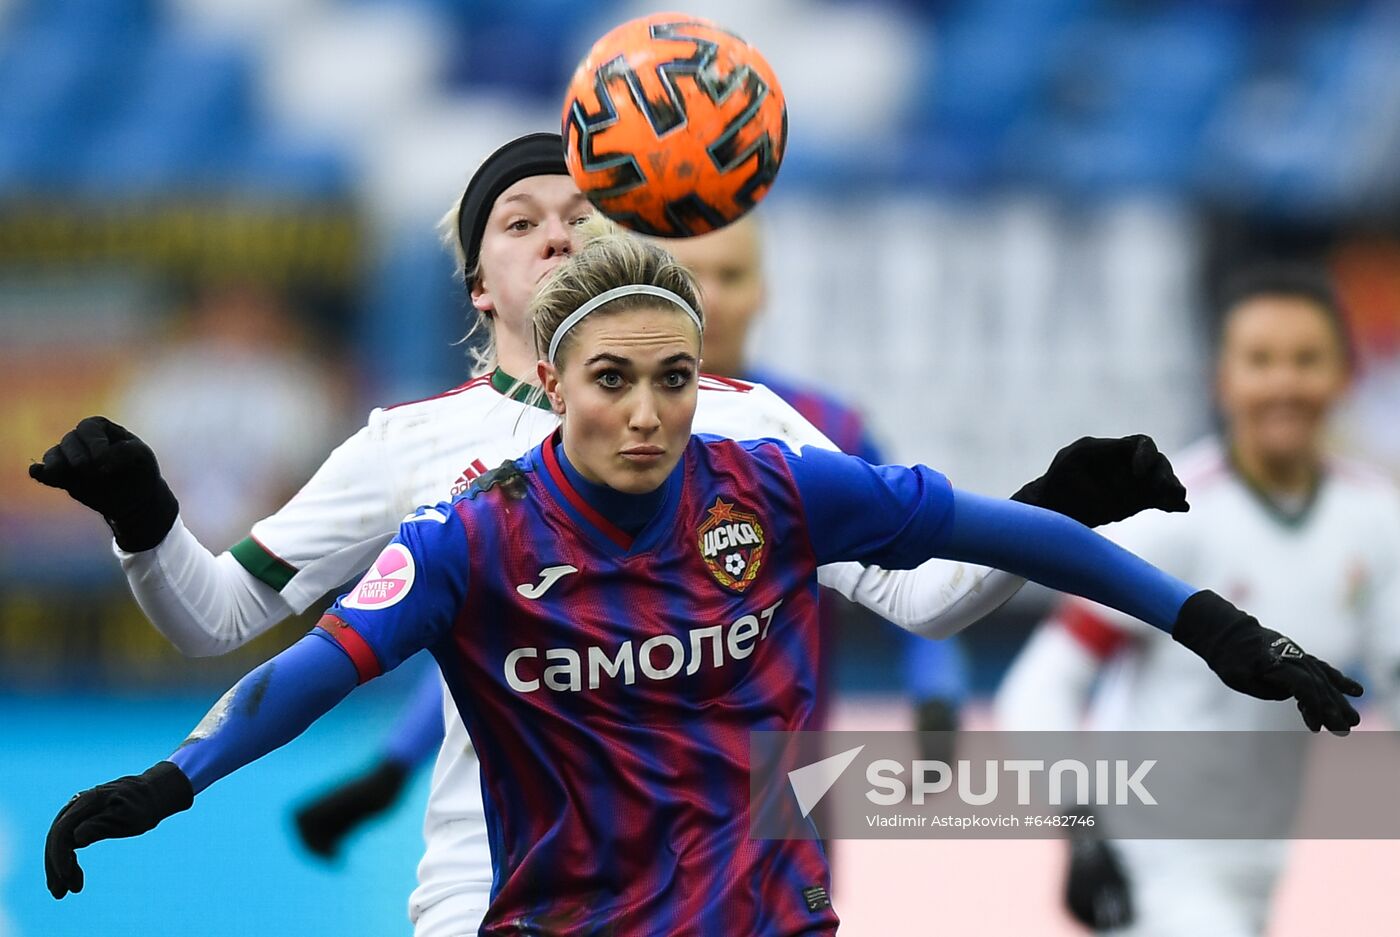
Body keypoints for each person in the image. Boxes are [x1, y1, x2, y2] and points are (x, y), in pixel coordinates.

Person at [44, 227, 1362, 936]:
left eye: (673, 377)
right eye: (612, 380)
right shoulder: (468, 533)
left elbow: (1000, 545)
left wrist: (1218, 628)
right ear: (551, 385)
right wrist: (175, 781)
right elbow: (307, 669)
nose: (646, 410)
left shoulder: (775, 483)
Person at [289, 212, 971, 859]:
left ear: (763, 291)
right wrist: (392, 768)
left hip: (777, 784)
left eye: (731, 275)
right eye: (690, 271)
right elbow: (494, 627)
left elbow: (906, 570)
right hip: (616, 799)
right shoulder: (581, 448)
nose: (709, 295)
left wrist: (937, 692)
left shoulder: (820, 428)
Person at [995, 266, 1400, 936]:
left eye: (1306, 359)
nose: (1284, 383)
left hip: (1262, 864)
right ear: (1222, 377)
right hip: (1154, 868)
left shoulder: (1376, 517)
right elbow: (1039, 685)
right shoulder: (1175, 516)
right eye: (1260, 360)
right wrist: (1081, 830)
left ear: (1343, 374)